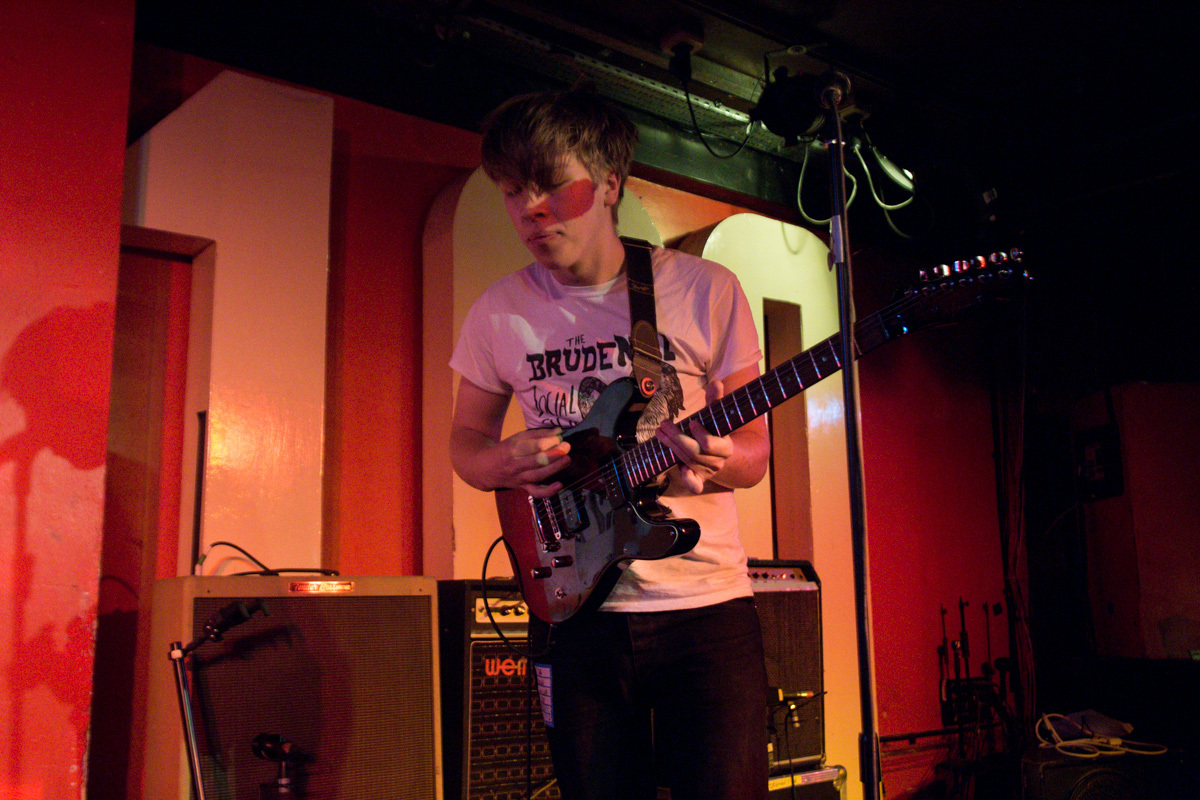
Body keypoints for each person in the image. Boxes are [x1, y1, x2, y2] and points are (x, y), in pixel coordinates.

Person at [448, 86, 771, 800]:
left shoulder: (705, 290)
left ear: (610, 185)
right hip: (573, 615)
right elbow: (466, 442)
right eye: (511, 192)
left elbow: (753, 454)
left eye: (553, 187)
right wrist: (500, 461)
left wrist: (719, 462)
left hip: (705, 613)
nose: (530, 210)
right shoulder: (498, 311)